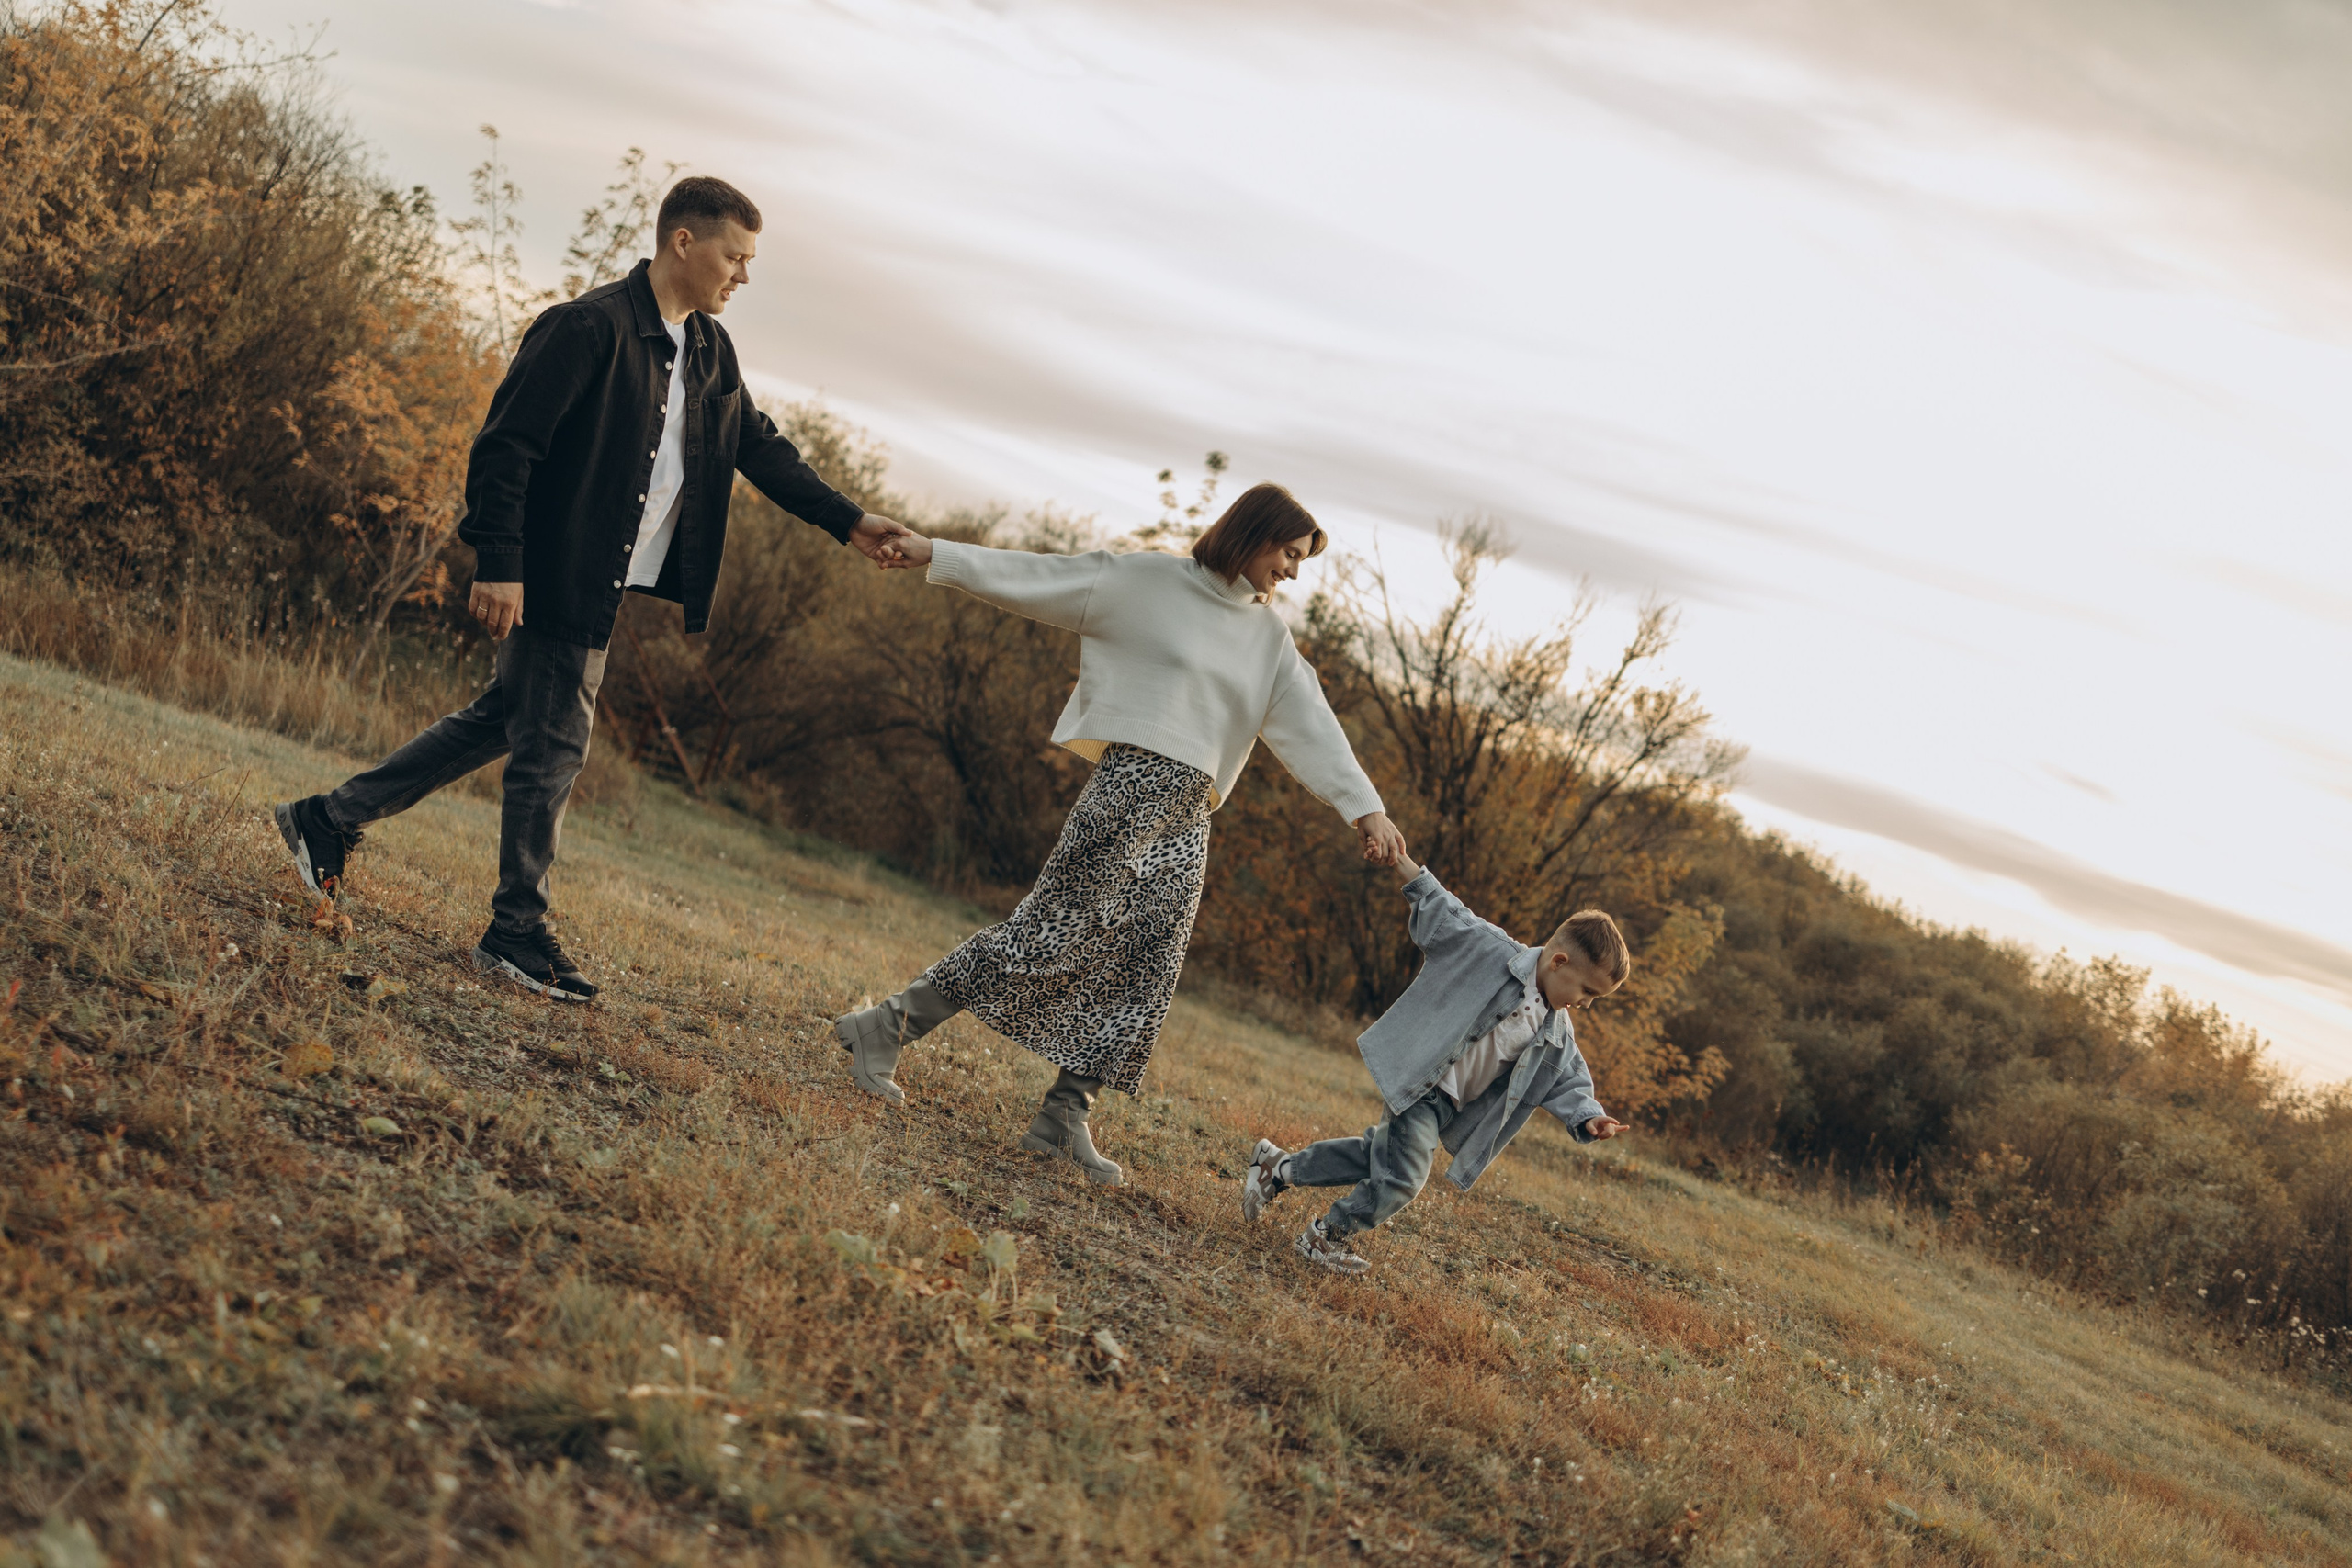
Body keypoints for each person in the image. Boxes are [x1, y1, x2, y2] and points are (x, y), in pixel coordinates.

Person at [272, 176, 913, 999]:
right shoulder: (588, 327)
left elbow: (757, 444)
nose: (743, 275)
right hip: (557, 571)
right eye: (735, 257)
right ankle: (515, 928)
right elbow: (506, 448)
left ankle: (327, 818)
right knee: (555, 748)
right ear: (684, 241)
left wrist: (848, 519)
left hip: (607, 579)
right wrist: (500, 561)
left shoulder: (709, 350)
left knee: (504, 722)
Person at [834, 483, 1408, 1184]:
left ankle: (1063, 1114)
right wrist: (935, 553)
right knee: (1046, 933)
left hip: (1189, 813)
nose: (1291, 570)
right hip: (1129, 788)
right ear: (1255, 534)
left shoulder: (1269, 640)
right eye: (1288, 553)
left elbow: (1313, 725)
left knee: (1149, 965)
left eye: (1300, 560)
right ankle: (885, 1026)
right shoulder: (1148, 582)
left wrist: (1365, 808)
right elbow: (1037, 576)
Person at [1240, 840, 1630, 1274]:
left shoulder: (1557, 1030)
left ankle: (1278, 1168)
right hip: (1422, 1082)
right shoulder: (1492, 952)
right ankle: (1326, 1235)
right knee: (1404, 1177)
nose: (1587, 1003)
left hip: (1449, 1107)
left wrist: (1589, 1115)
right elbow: (1445, 909)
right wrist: (1397, 858)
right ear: (1558, 961)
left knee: (1377, 1157)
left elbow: (1569, 1077)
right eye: (1588, 991)